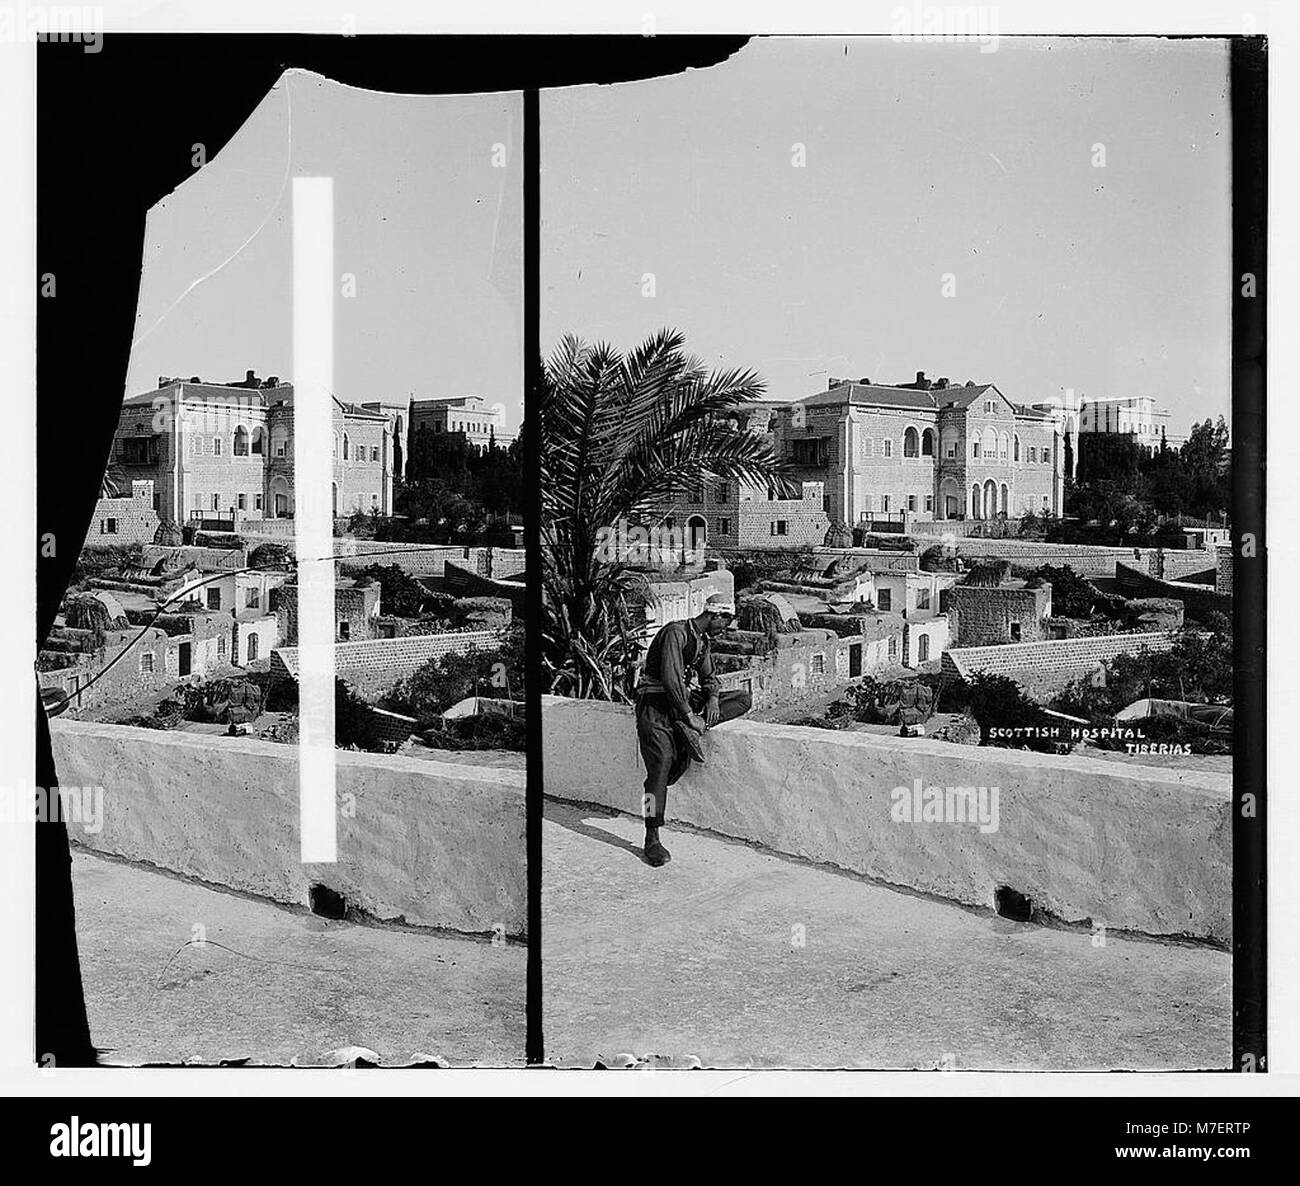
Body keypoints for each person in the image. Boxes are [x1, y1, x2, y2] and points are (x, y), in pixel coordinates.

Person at [634, 592, 752, 867]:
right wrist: (689, 714)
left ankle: (689, 728)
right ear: (714, 615)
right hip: (655, 703)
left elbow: (710, 678)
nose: (726, 627)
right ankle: (651, 836)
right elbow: (671, 678)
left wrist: (710, 699)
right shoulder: (676, 633)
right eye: (725, 620)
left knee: (742, 699)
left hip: (683, 704)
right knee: (660, 768)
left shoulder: (703, 642)